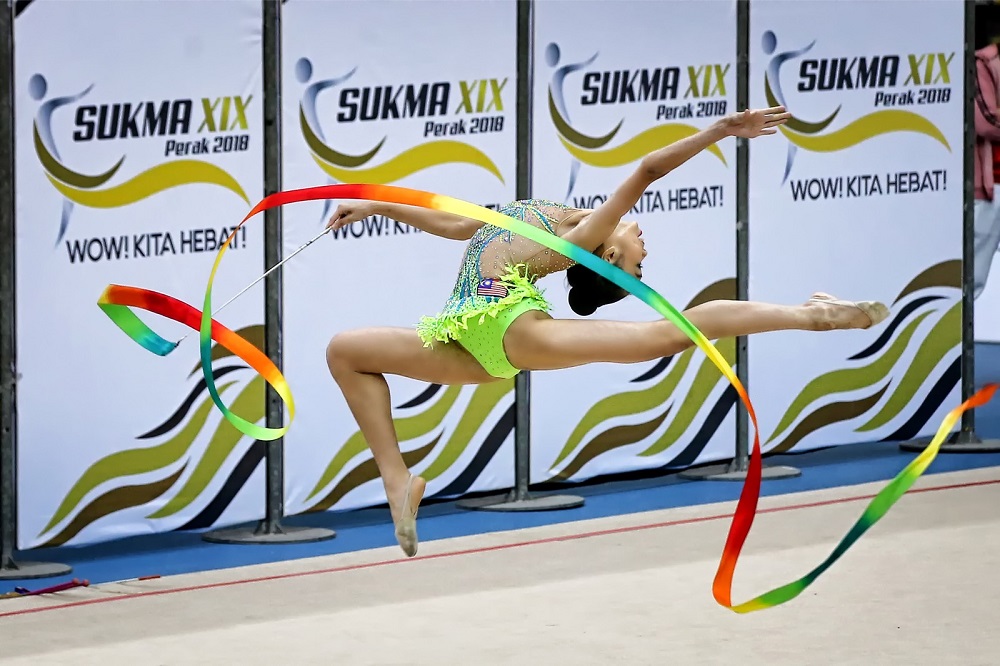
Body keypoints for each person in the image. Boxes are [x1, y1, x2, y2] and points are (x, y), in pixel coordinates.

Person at [323, 105, 890, 557]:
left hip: (507, 326)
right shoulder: (554, 212)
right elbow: (457, 222)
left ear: (609, 255)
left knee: (661, 336)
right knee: (345, 351)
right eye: (643, 263)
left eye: (639, 264)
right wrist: (376, 206)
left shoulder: (585, 236)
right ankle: (398, 482)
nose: (646, 252)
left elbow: (646, 170)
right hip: (463, 341)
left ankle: (812, 314)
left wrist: (718, 131)